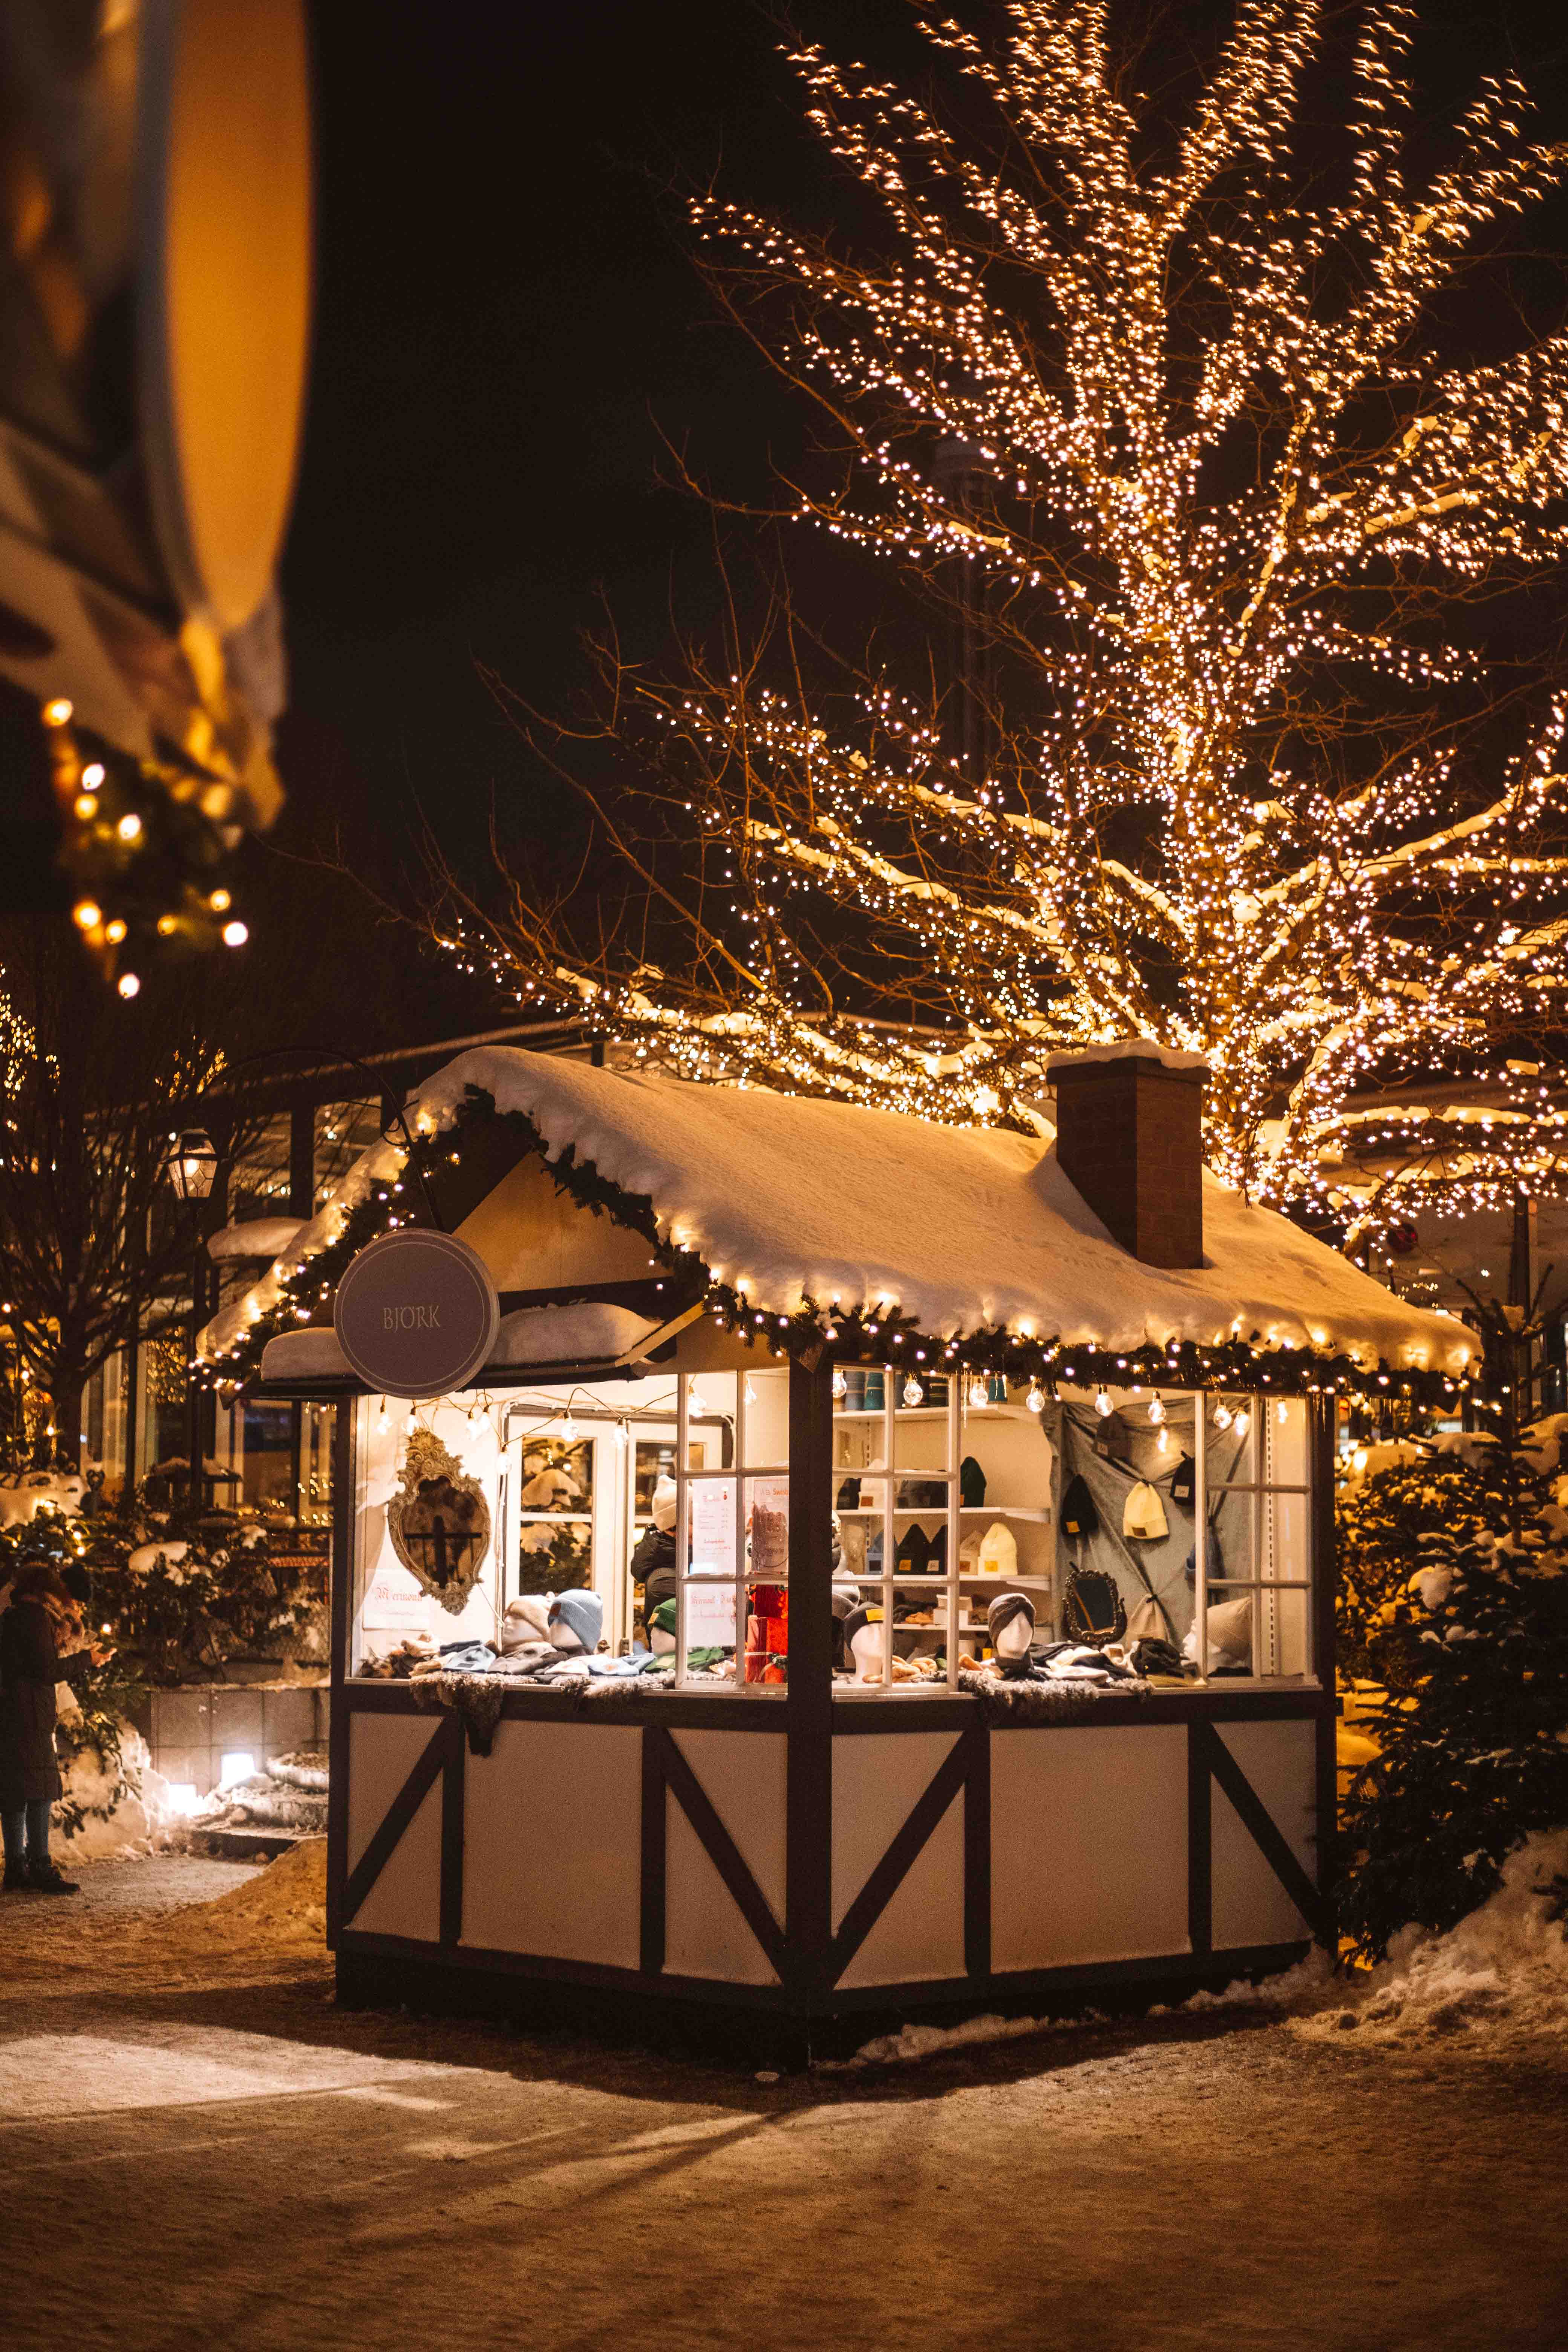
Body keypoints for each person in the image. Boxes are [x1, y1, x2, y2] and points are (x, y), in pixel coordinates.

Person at [0, 1562, 107, 1894]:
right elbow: (45, 1669)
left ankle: (17, 1867)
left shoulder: (16, 1614)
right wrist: (89, 1659)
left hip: (14, 1712)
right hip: (29, 1714)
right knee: (41, 1791)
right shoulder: (35, 1618)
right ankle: (40, 1866)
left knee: (17, 1792)